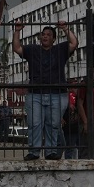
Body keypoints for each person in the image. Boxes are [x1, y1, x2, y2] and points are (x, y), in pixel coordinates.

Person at [12, 20, 78, 161]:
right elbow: (17, 48)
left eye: (48, 34)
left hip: (57, 93)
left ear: (54, 38)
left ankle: (51, 151)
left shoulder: (60, 49)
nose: (45, 36)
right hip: (35, 93)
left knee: (53, 125)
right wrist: (17, 30)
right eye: (43, 34)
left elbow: (74, 43)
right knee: (35, 124)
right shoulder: (32, 49)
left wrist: (65, 29)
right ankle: (34, 152)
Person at [62, 79, 80, 159]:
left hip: (77, 125)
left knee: (78, 147)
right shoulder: (65, 96)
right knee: (70, 147)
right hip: (69, 126)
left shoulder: (78, 95)